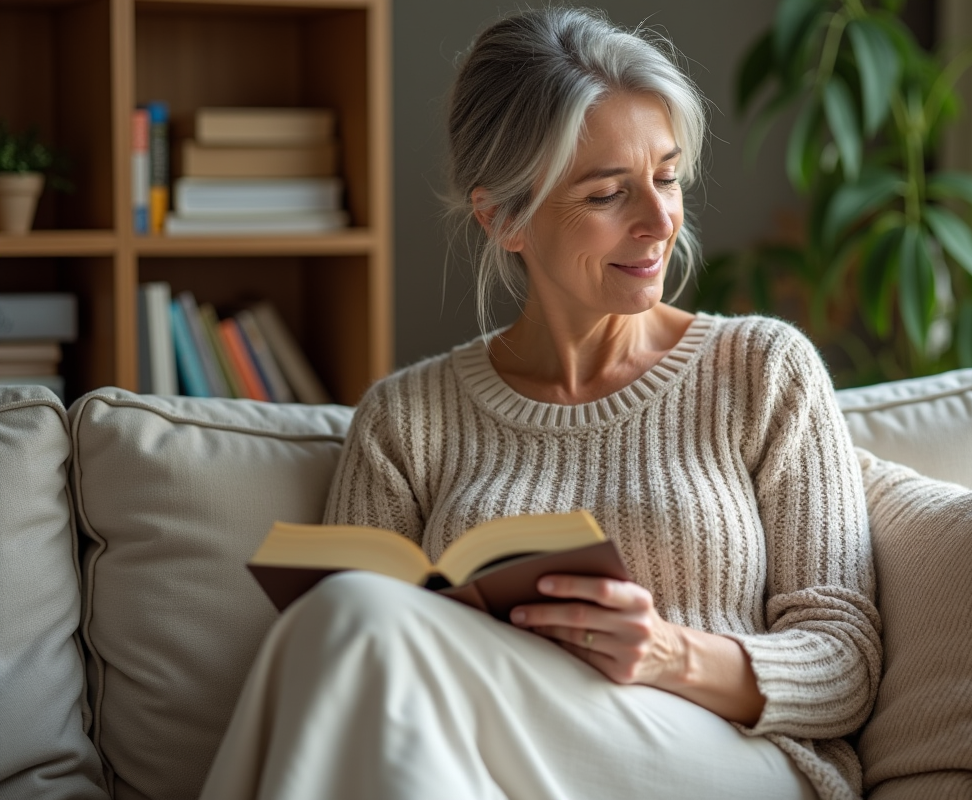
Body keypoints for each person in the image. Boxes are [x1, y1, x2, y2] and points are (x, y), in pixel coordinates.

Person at [199, 8, 881, 800]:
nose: (659, 220)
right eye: (607, 194)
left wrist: (667, 653)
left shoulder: (763, 370)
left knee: (354, 616)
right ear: (504, 218)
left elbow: (847, 665)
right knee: (344, 632)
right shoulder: (406, 420)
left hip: (730, 761)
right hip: (492, 765)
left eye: (666, 177)